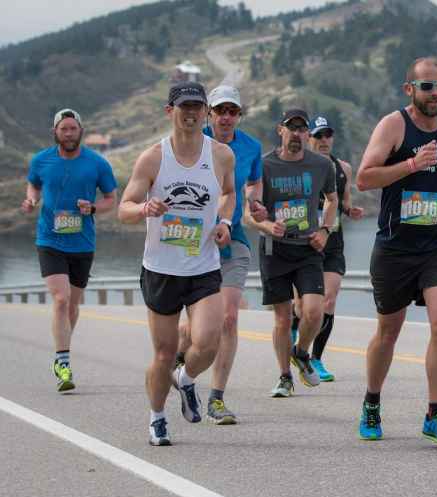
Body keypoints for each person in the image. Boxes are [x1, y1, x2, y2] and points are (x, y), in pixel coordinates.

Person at [355, 56, 437, 444]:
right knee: (388, 331)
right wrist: (409, 164)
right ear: (410, 89)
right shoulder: (393, 125)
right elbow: (364, 178)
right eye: (427, 86)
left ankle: (435, 416)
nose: (436, 93)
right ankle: (372, 403)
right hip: (395, 248)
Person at [118, 81, 236, 446]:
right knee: (165, 353)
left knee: (209, 340)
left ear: (206, 112)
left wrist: (225, 222)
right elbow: (124, 209)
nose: (191, 113)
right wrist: (143, 208)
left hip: (203, 265)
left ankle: (186, 380)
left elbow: (229, 192)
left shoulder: (221, 155)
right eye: (183, 106)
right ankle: (157, 418)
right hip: (160, 269)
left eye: (197, 107)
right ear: (170, 111)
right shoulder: (153, 157)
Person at [175, 84, 266, 425]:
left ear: (239, 115)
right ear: (209, 114)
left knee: (228, 318)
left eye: (233, 111)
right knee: (192, 330)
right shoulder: (192, 142)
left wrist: (254, 201)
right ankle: (182, 364)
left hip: (232, 240)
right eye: (220, 111)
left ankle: (216, 398)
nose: (226, 117)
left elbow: (253, 182)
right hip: (190, 242)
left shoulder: (251, 147)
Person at [21, 108, 117, 393]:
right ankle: (63, 361)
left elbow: (112, 199)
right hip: (49, 240)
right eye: (64, 129)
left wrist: (94, 208)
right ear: (55, 132)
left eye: (73, 128)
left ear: (81, 131)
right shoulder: (41, 160)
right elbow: (34, 185)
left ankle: (62, 346)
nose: (69, 133)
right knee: (61, 300)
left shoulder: (97, 163)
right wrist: (31, 201)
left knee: (72, 305)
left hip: (82, 243)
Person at [244, 108, 337, 398]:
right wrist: (269, 225)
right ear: (280, 130)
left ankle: (301, 352)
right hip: (275, 250)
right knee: (283, 318)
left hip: (308, 247)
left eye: (301, 129)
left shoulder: (321, 165)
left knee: (313, 311)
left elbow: (332, 200)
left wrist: (324, 230)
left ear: (306, 134)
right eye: (291, 128)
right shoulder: (264, 166)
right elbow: (248, 212)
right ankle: (285, 376)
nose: (296, 133)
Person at [289, 114, 364, 382]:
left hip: (333, 242)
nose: (323, 140)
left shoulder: (343, 167)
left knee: (328, 301)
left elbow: (344, 200)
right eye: (318, 136)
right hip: (304, 244)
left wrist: (350, 210)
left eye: (327, 135)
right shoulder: (298, 166)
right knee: (302, 307)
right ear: (309, 138)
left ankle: (315, 359)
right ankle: (295, 337)